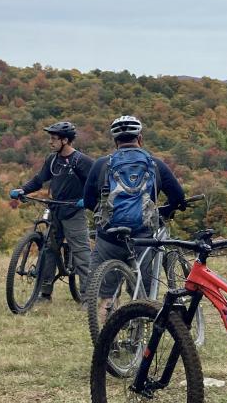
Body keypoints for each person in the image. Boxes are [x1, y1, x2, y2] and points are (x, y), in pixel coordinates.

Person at [82, 115, 185, 323]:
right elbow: (178, 197)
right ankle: (138, 336)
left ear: (115, 141)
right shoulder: (155, 164)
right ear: (140, 138)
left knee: (106, 296)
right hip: (143, 237)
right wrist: (165, 210)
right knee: (141, 295)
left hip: (108, 238)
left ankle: (108, 339)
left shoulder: (102, 164)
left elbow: (87, 200)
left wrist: (103, 215)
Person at [10, 121, 94, 301]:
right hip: (55, 210)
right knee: (48, 250)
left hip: (73, 212)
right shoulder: (52, 160)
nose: (50, 142)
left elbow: (96, 184)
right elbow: (39, 179)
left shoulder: (81, 161)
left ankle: (88, 297)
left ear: (65, 140)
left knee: (81, 253)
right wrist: (23, 190)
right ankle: (45, 293)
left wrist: (86, 201)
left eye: (54, 139)